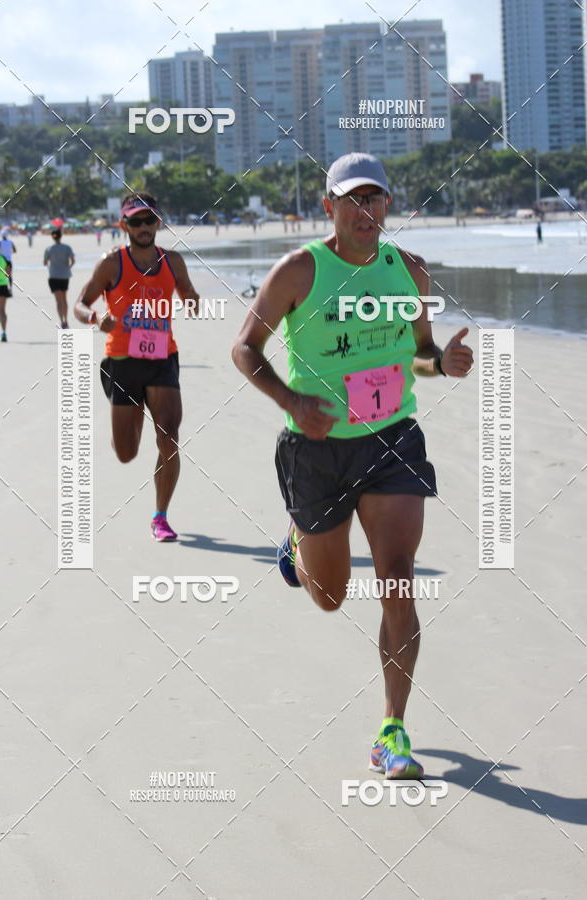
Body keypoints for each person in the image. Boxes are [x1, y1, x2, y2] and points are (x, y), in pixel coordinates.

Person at [232, 152, 473, 779]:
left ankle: (392, 729)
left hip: (392, 439)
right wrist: (290, 399)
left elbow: (418, 356)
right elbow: (244, 348)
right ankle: (298, 540)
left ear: (388, 206)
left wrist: (439, 364)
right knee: (331, 597)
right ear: (329, 206)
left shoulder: (410, 273)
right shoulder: (300, 271)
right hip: (315, 451)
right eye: (354, 199)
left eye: (378, 199)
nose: (368, 211)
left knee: (397, 578)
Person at [74, 192, 200, 541]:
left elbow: (188, 291)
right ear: (124, 225)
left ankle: (160, 516)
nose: (144, 227)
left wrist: (192, 300)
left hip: (162, 358)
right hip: (123, 361)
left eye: (149, 220)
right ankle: (127, 421)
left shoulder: (172, 261)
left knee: (169, 438)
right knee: (127, 453)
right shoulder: (111, 263)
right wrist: (96, 318)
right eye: (136, 221)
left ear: (158, 221)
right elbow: (80, 305)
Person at [44, 229, 75, 328]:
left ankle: (61, 321)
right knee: (64, 299)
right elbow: (73, 260)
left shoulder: (49, 248)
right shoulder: (67, 247)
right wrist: (68, 267)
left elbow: (45, 262)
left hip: (53, 275)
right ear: (61, 236)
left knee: (58, 300)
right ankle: (66, 320)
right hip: (64, 275)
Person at [0, 230, 16, 296]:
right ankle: (10, 289)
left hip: (2, 261)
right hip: (9, 261)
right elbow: (15, 250)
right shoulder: (11, 242)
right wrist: (9, 252)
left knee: (2, 276)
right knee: (9, 276)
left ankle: (2, 290)